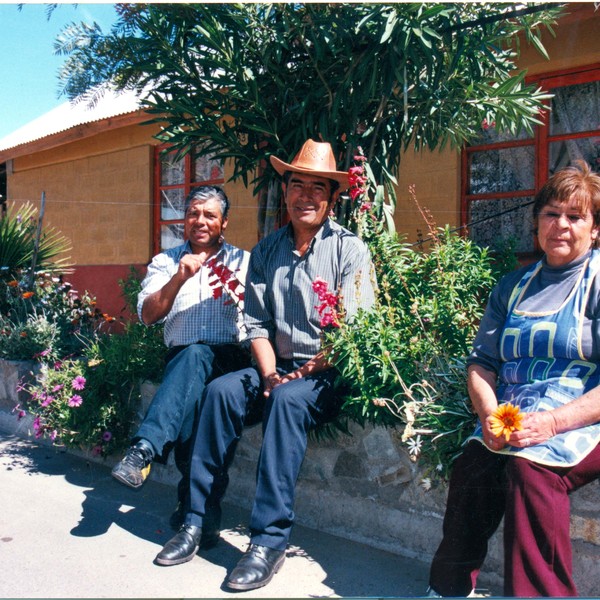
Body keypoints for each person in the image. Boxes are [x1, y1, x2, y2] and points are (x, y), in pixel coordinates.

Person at [154, 139, 377, 589]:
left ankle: (268, 541)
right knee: (221, 392)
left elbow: (353, 334)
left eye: (318, 188)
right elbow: (255, 324)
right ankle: (198, 519)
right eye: (298, 185)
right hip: (277, 364)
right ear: (287, 191)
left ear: (333, 198)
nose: (306, 196)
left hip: (328, 370)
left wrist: (297, 376)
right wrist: (271, 373)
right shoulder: (268, 251)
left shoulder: (350, 251)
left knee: (289, 402)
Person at [427, 161, 600, 598]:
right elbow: (482, 362)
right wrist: (488, 413)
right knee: (473, 465)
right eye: (551, 213)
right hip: (515, 413)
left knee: (532, 469)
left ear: (595, 229)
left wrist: (554, 423)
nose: (561, 225)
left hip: (583, 415)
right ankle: (448, 588)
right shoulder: (513, 286)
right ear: (536, 222)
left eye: (576, 216)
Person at [111, 185, 250, 535]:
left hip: (229, 360)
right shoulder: (165, 261)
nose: (200, 221)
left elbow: (262, 316)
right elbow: (147, 315)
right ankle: (200, 510)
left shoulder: (244, 262)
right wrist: (180, 277)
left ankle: (144, 450)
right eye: (193, 213)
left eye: (209, 215)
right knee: (195, 415)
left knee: (200, 355)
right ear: (184, 219)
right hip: (182, 361)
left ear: (225, 222)